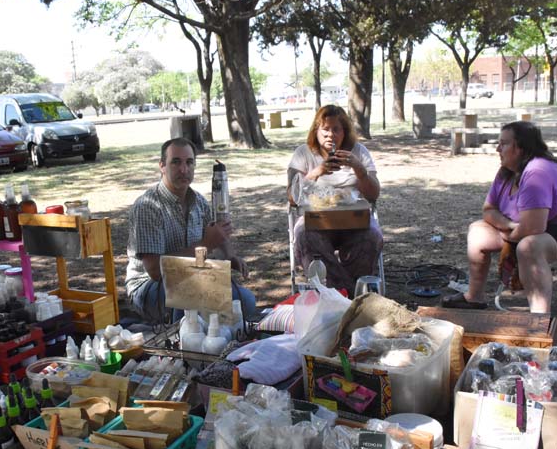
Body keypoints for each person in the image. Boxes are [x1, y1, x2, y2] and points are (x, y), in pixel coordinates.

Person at [442, 121, 557, 313]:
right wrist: (509, 225)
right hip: (531, 230)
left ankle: (539, 320)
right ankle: (474, 297)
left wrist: (509, 236)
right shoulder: (507, 172)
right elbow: (488, 210)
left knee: (529, 247)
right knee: (478, 231)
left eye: (503, 143)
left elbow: (533, 228)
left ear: (520, 148)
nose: (497, 148)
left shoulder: (537, 172)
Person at [126, 137, 256, 322]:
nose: (183, 169)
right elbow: (155, 271)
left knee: (246, 302)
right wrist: (204, 244)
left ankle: (219, 345)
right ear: (162, 166)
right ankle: (192, 345)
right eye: (176, 162)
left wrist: (230, 256)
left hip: (190, 278)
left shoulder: (199, 202)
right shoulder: (148, 206)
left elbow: (214, 242)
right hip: (149, 287)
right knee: (195, 308)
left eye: (189, 162)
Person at [287, 104, 384, 292]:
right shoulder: (303, 153)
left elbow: (373, 194)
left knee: (372, 236)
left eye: (336, 129)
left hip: (353, 219)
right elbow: (291, 197)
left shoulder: (359, 151)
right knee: (304, 236)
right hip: (315, 219)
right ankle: (345, 293)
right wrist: (317, 171)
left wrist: (360, 170)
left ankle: (346, 291)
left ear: (345, 132)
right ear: (316, 131)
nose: (330, 135)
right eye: (325, 129)